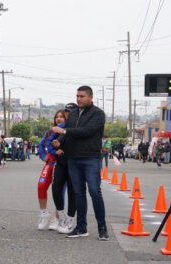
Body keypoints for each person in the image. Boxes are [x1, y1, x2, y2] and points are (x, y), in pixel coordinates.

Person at [52, 86, 108, 241]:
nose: (79, 98)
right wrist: (59, 142)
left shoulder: (98, 114)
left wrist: (64, 132)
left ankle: (102, 228)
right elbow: (68, 132)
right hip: (73, 159)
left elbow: (87, 131)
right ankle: (81, 227)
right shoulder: (74, 113)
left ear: (90, 97)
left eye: (82, 96)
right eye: (77, 96)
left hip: (91, 158)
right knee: (78, 194)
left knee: (95, 192)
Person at [36, 110, 67, 231]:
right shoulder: (50, 131)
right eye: (57, 117)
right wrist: (44, 156)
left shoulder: (67, 131)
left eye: (62, 117)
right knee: (41, 185)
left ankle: (57, 218)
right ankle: (44, 214)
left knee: (59, 192)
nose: (58, 119)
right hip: (50, 162)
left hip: (63, 164)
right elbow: (41, 144)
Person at [51, 105, 77, 234]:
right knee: (56, 189)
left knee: (73, 192)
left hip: (74, 163)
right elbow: (58, 138)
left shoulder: (78, 125)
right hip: (61, 163)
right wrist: (56, 146)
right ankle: (61, 217)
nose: (67, 114)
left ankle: (71, 219)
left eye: (70, 112)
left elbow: (68, 136)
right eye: (66, 112)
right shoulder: (61, 127)